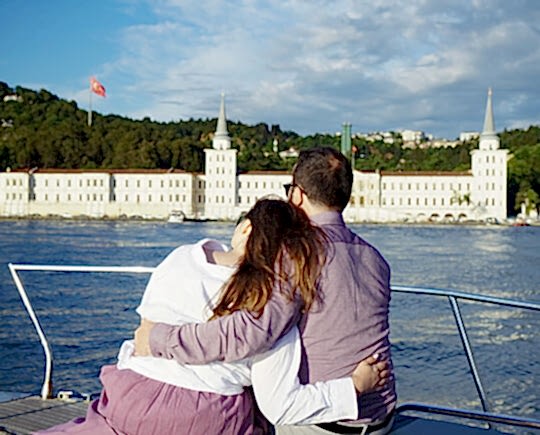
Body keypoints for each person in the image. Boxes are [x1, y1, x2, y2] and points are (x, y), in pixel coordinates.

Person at [36, 198, 389, 435]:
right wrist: (354, 387)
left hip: (129, 395)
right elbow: (279, 404)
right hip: (203, 414)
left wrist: (156, 339)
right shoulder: (269, 298)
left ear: (245, 229)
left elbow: (144, 325)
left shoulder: (181, 258)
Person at [135, 147, 397, 434]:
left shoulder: (297, 254)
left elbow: (248, 332)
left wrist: (158, 338)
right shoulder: (376, 258)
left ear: (297, 196)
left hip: (326, 424)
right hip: (381, 417)